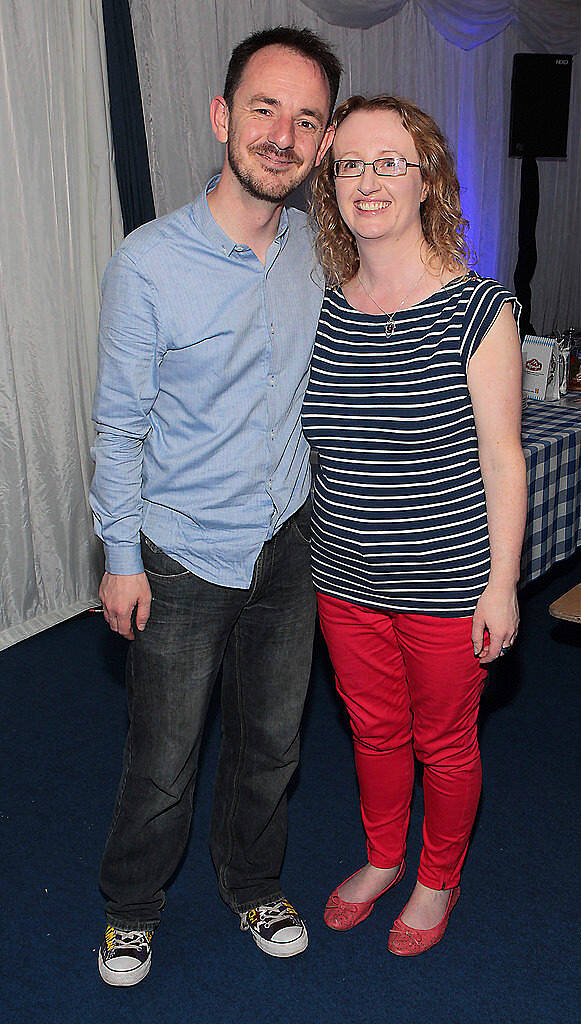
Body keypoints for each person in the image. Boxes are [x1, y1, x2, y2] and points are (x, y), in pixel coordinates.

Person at [91, 26, 340, 986]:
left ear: (320, 144)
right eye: (265, 108)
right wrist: (119, 556)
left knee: (274, 744)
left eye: (305, 119)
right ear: (221, 116)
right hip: (182, 553)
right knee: (161, 761)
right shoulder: (148, 262)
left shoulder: (320, 251)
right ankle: (130, 907)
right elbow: (119, 427)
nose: (282, 135)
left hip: (288, 541)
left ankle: (253, 883)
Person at [302, 95, 527, 956]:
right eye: (349, 163)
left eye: (388, 162)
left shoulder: (479, 309)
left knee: (444, 740)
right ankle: (382, 855)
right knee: (371, 731)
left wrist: (501, 584)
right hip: (343, 579)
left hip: (444, 583)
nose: (367, 181)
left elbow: (502, 459)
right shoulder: (321, 306)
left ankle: (438, 875)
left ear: (427, 176)